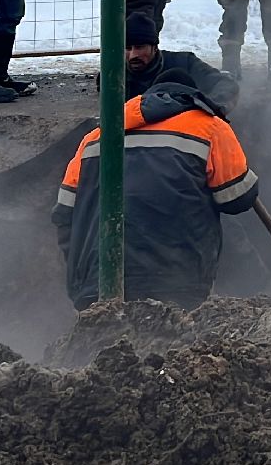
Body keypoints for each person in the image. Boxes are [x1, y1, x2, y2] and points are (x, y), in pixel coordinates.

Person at [51, 68, 259, 310]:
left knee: (103, 334)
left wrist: (81, 270)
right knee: (175, 334)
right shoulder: (210, 126)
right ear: (190, 96)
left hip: (98, 281)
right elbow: (238, 199)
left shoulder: (96, 136)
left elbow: (64, 214)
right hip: (176, 281)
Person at [123, 10, 239, 106]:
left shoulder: (184, 63)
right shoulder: (115, 74)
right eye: (127, 48)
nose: (133, 55)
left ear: (155, 47)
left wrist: (209, 107)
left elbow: (224, 84)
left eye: (139, 47)